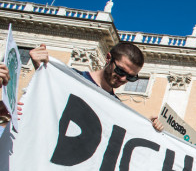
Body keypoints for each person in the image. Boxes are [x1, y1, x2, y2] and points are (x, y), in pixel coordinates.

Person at [29, 43, 163, 130]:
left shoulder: (117, 106)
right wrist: (42, 71)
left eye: (131, 77)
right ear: (108, 58)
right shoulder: (71, 79)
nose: (123, 79)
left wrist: (148, 127)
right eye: (120, 71)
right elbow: (46, 101)